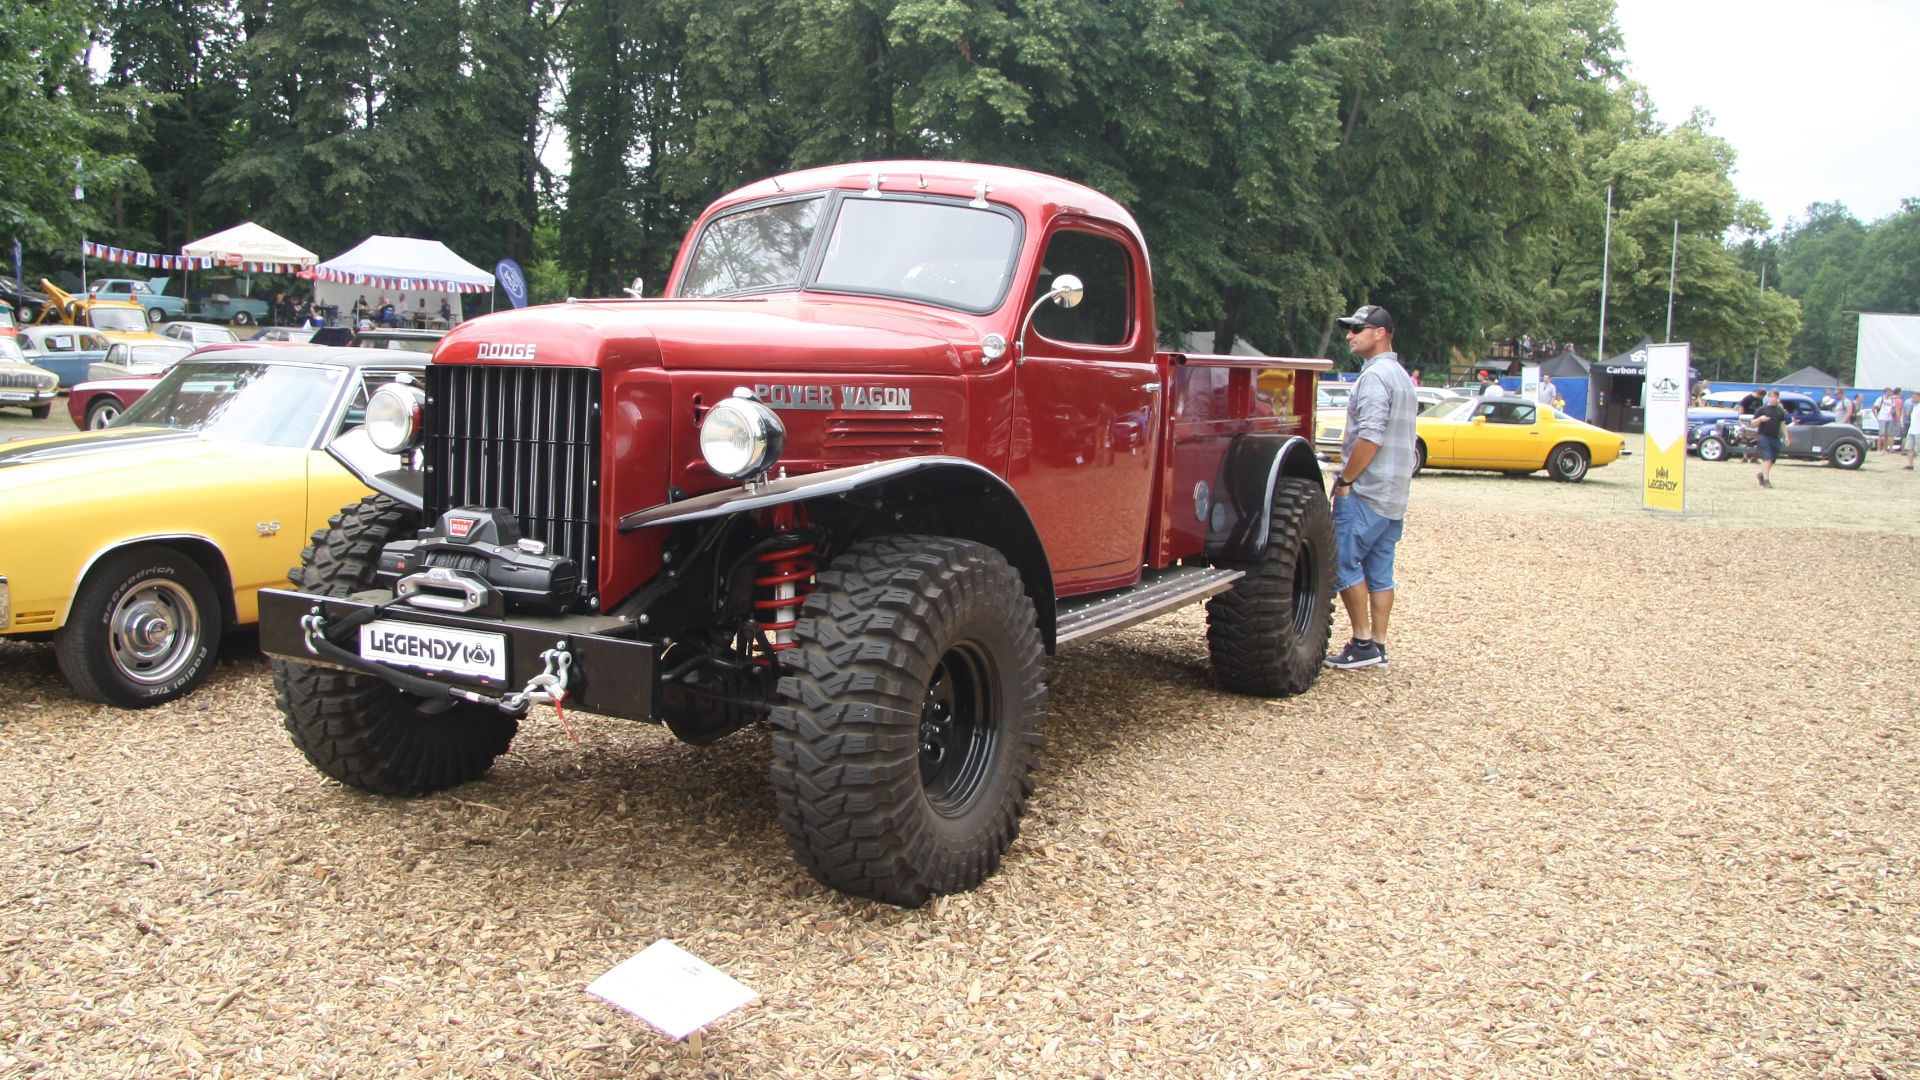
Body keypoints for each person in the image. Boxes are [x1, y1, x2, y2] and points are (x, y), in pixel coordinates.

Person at [1324, 303, 1417, 671]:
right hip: (1395, 495)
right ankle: (1378, 645)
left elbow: (1370, 436)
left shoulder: (1375, 377)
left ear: (1380, 333)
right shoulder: (1402, 377)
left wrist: (1346, 479)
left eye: (1357, 329)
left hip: (1367, 491)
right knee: (1380, 571)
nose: (1350, 335)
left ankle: (1362, 643)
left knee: (1344, 561)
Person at [1752, 389, 1788, 488]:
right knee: (1767, 457)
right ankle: (1766, 480)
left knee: (1772, 459)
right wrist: (1760, 419)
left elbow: (1782, 424)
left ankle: (1762, 474)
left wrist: (1786, 436)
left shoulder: (1779, 410)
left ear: (1778, 398)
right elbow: (1753, 423)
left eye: (1775, 397)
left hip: (1775, 437)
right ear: (1768, 397)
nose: (1773, 399)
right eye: (1771, 396)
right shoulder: (1761, 409)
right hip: (1763, 436)